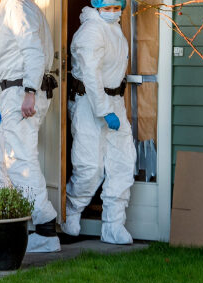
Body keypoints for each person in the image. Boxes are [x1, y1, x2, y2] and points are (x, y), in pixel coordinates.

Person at [62, 0, 135, 245]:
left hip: (114, 102)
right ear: (97, 5)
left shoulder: (113, 29)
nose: (114, 12)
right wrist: (104, 110)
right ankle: (70, 212)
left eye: (117, 7)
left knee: (122, 162)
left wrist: (111, 108)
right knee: (89, 166)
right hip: (89, 104)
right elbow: (91, 76)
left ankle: (114, 225)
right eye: (109, 7)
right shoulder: (91, 32)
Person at [0, 0, 60, 253]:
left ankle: (45, 227)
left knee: (19, 160)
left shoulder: (17, 6)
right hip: (15, 91)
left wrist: (29, 90)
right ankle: (6, 225)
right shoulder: (21, 6)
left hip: (22, 89)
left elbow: (33, 50)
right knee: (3, 161)